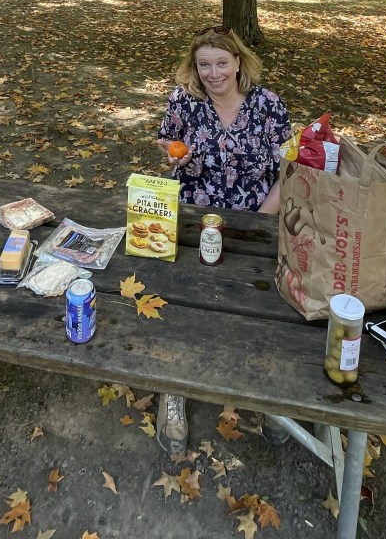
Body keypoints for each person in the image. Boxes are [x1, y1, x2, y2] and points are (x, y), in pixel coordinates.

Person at [155, 25, 293, 454]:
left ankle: (273, 398)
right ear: (194, 67)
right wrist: (174, 151)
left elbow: (289, 169)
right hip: (194, 218)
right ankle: (173, 388)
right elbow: (166, 138)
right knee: (184, 299)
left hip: (257, 218)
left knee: (263, 306)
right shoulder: (183, 100)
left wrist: (258, 222)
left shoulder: (269, 105)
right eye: (204, 65)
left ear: (238, 62)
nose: (213, 73)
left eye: (221, 63)